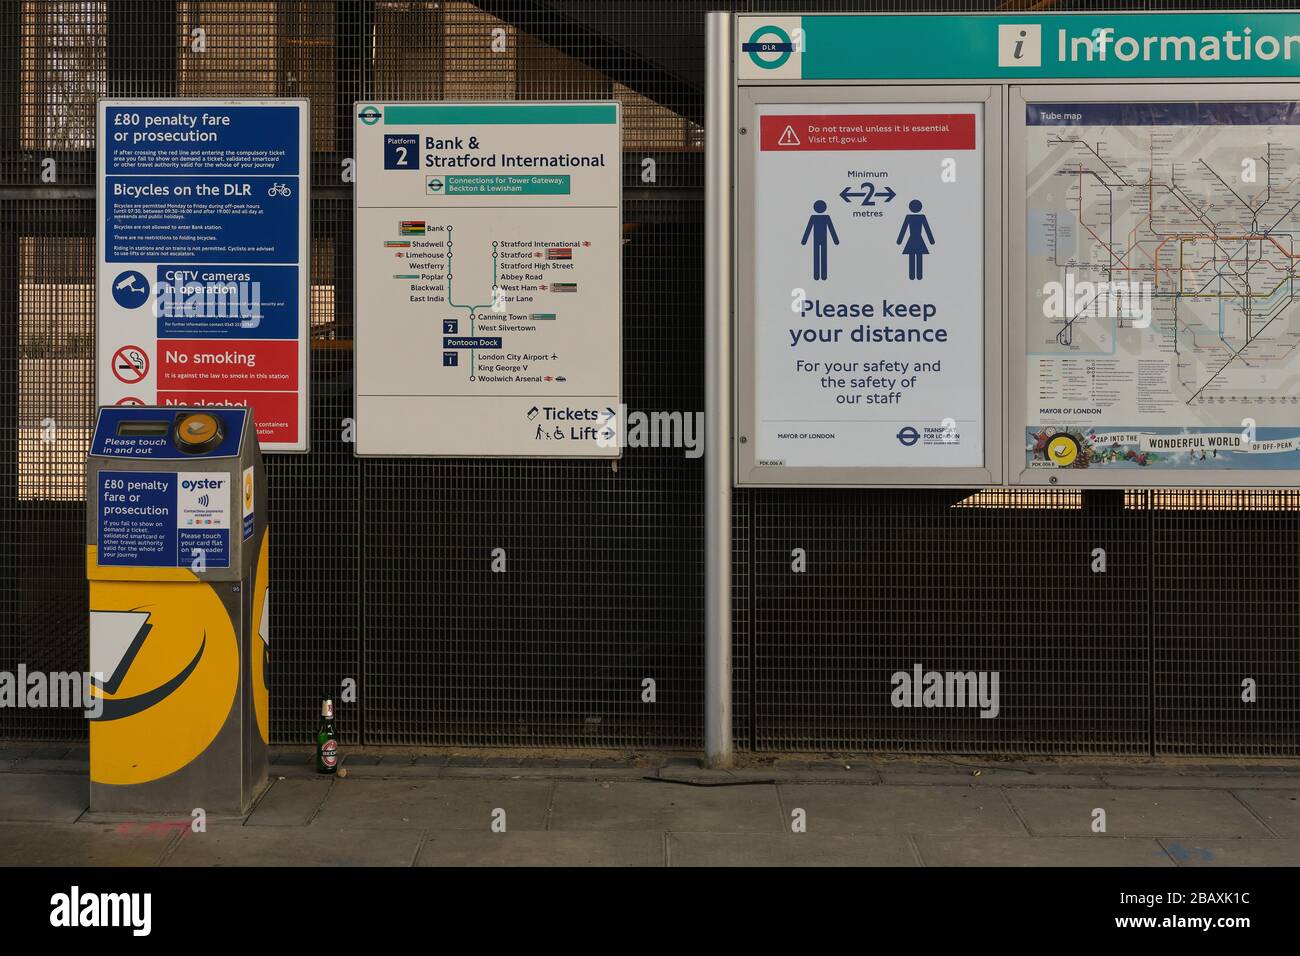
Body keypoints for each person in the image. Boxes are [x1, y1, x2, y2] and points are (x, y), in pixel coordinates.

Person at [896, 199, 935, 280]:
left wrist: (899, 240)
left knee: (912, 258)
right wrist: (931, 241)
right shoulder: (920, 217)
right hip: (918, 239)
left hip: (913, 239)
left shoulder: (910, 217)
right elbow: (927, 229)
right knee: (918, 258)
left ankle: (913, 275)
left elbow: (904, 229)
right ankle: (917, 275)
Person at [801, 200, 839, 281]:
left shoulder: (824, 217)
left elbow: (831, 228)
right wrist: (835, 240)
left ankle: (820, 275)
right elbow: (809, 228)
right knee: (820, 256)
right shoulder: (816, 217)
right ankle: (819, 275)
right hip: (821, 240)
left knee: (818, 256)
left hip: (818, 240)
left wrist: (804, 240)